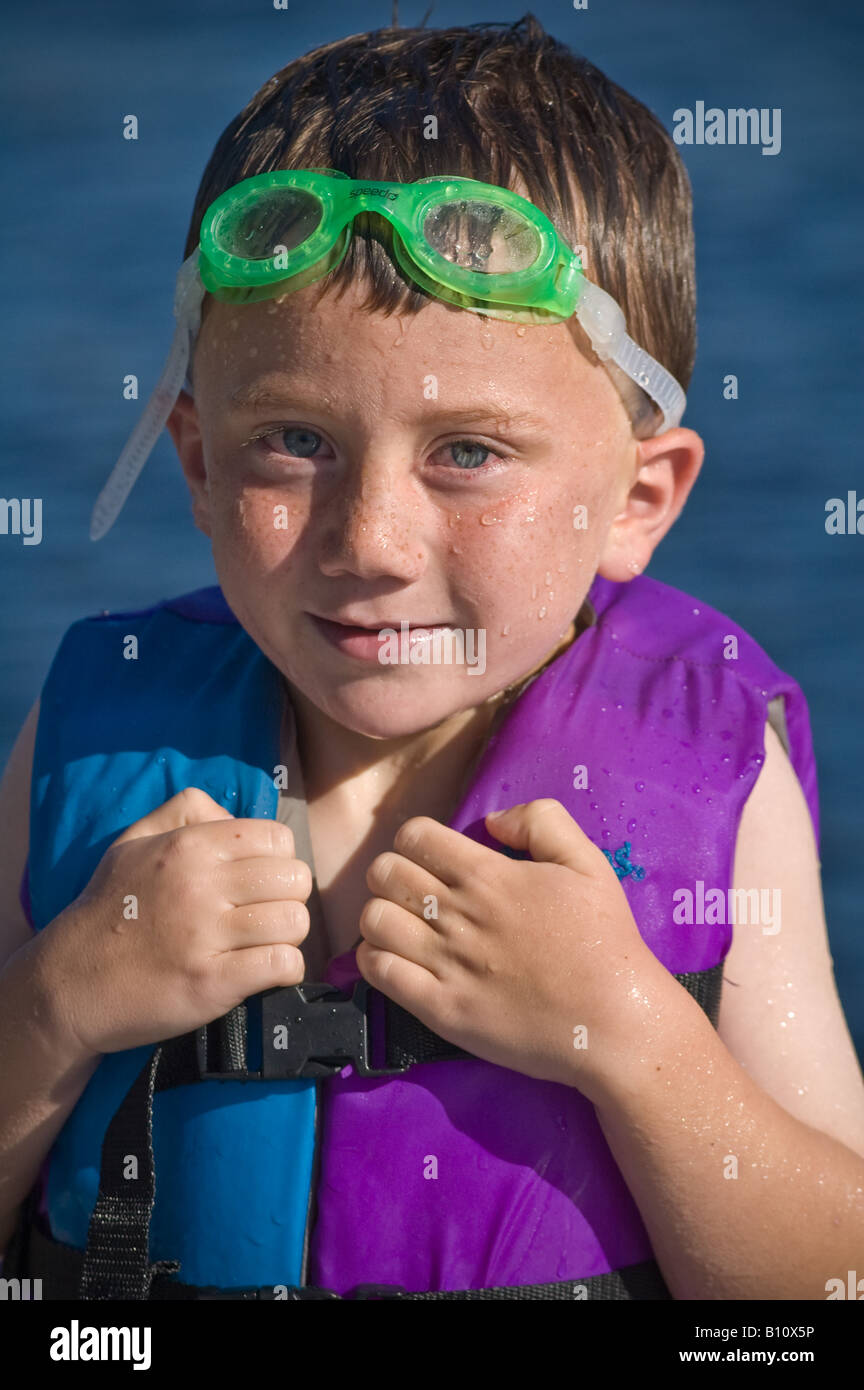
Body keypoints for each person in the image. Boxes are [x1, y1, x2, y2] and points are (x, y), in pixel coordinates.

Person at [1, 14, 863, 1302]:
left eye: (468, 452)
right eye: (293, 442)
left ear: (638, 497)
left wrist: (628, 1032)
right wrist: (56, 1006)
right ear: (195, 458)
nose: (371, 542)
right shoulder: (95, 735)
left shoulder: (722, 782)